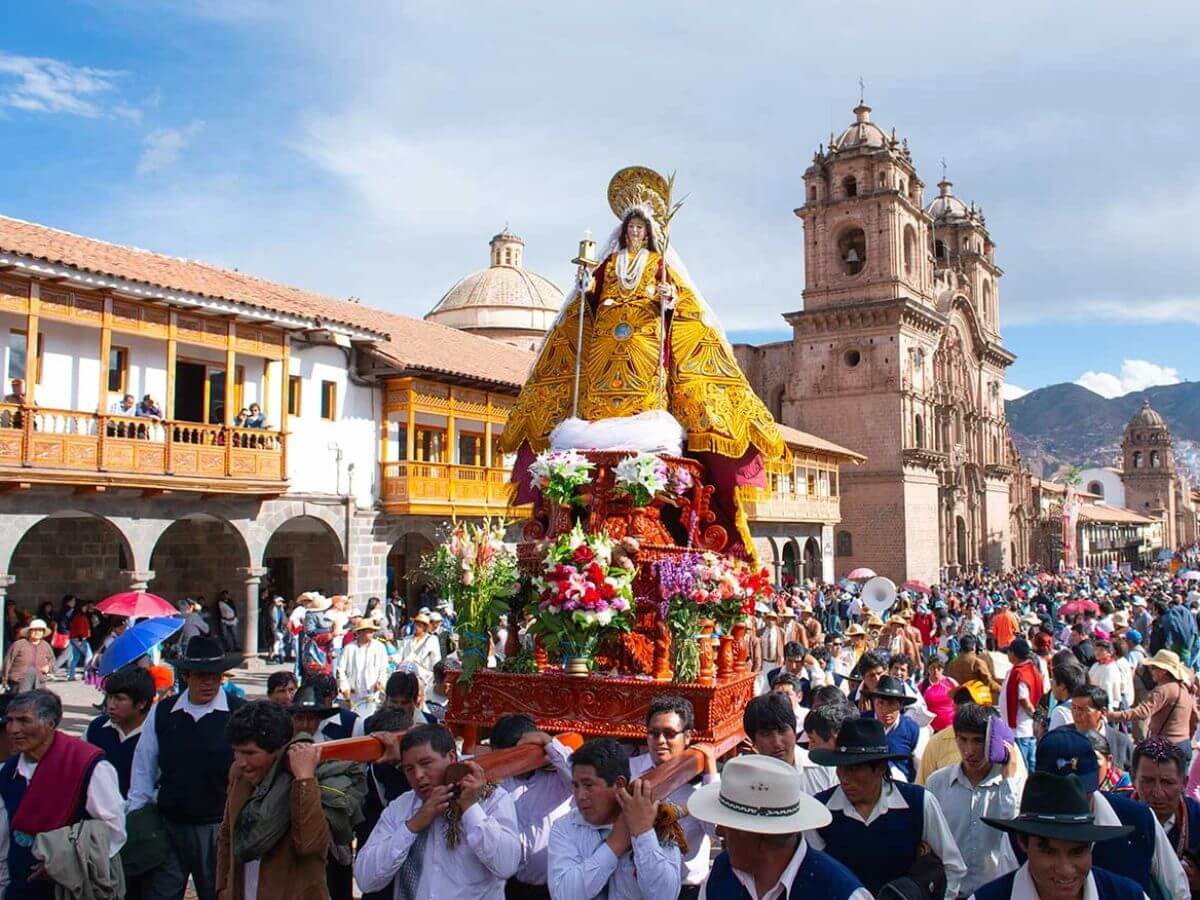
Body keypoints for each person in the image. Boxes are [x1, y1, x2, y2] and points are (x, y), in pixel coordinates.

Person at [129, 635, 245, 900]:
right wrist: (139, 818)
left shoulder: (238, 713)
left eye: (215, 676)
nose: (208, 682)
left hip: (219, 828)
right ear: (187, 675)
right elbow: (143, 768)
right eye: (201, 675)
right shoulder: (163, 713)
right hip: (170, 825)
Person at [807, 717, 967, 899]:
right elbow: (813, 872)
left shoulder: (919, 803)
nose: (844, 777)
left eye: (854, 768)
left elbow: (952, 866)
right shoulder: (820, 812)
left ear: (880, 768)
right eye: (840, 767)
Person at [355, 723, 521, 899]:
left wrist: (471, 809)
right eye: (409, 769)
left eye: (425, 763)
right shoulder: (401, 808)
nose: (418, 775)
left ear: (451, 757)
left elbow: (506, 865)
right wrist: (412, 826)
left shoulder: (491, 799)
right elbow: (366, 880)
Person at [1035, 727, 1189, 900]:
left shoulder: (1139, 820)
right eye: (1059, 794)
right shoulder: (1019, 836)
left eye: (1080, 792)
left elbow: (1179, 892)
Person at [0, 690, 126, 900]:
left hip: (71, 886)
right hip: (20, 885)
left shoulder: (89, 766)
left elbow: (113, 832)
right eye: (10, 721)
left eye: (24, 721)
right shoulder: (9, 772)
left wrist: (64, 864)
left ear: (50, 724)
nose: (13, 729)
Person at [691, 754, 869, 900]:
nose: (719, 831)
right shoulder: (721, 875)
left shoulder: (840, 893)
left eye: (729, 824)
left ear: (756, 835)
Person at [215, 701, 330, 900]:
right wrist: (223, 888)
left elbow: (310, 844)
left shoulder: (306, 778)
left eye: (250, 753)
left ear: (276, 750)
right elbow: (227, 834)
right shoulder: (239, 775)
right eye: (237, 751)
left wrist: (304, 780)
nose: (242, 763)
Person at [969, 772, 1144, 900]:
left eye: (1077, 852)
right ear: (1023, 842)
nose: (1065, 869)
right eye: (1049, 852)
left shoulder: (1128, 896)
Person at [547, 736, 682, 900]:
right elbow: (563, 895)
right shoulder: (565, 827)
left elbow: (665, 895)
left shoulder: (657, 819)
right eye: (576, 786)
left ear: (619, 784)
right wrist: (614, 845)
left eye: (588, 785)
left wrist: (643, 833)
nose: (580, 796)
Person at [925, 703, 1024, 896]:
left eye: (978, 741)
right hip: (950, 892)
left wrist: (1009, 781)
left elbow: (1014, 836)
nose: (969, 750)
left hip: (994, 892)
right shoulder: (937, 783)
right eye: (963, 740)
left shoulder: (1012, 786)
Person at [629, 695, 719, 898]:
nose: (660, 741)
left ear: (688, 736)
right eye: (653, 733)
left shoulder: (703, 783)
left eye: (669, 734)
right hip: (635, 889)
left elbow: (717, 829)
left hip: (685, 889)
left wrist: (710, 770)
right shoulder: (630, 771)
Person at [486, 715, 574, 900]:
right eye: (500, 757)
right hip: (507, 886)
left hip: (553, 887)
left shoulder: (558, 777)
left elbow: (579, 780)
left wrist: (549, 743)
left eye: (513, 757)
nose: (507, 764)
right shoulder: (495, 782)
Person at [1129, 737, 1200, 892]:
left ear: (1184, 783)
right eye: (1148, 781)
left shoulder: (1196, 819)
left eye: (1167, 782)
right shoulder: (1113, 815)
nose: (1157, 793)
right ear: (1133, 778)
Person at [1107, 650, 1197, 764]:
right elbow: (1195, 718)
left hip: (1166, 748)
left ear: (1163, 671)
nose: (1150, 671)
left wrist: (1113, 715)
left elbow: (1142, 712)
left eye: (1153, 667)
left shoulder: (1163, 690)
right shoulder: (1184, 689)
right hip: (1184, 745)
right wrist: (1187, 737)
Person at [84, 665, 155, 798]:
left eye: (119, 699)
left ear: (142, 703)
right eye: (109, 697)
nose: (111, 705)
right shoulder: (96, 729)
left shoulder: (158, 734)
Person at [866, 674, 921, 782]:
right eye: (881, 703)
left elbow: (919, 767)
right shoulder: (861, 725)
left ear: (900, 705)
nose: (885, 710)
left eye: (891, 704)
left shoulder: (912, 729)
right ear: (874, 701)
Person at [1000, 638, 1042, 770]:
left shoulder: (1020, 673)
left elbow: (1023, 699)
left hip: (1019, 729)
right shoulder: (1027, 669)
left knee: (1022, 766)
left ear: (1013, 654)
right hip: (1024, 728)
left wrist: (1034, 715)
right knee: (1030, 763)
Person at [1072, 685, 1134, 773]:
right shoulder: (1063, 738)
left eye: (1082, 710)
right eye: (1074, 708)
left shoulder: (1121, 742)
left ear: (1103, 712)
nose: (1076, 714)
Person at [337, 618, 390, 717]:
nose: (371, 633)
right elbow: (340, 670)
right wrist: (345, 688)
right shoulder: (349, 648)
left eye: (372, 631)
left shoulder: (379, 647)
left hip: (373, 694)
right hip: (354, 694)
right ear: (360, 632)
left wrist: (380, 682)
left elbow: (383, 668)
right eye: (368, 631)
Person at [2, 620, 55, 691]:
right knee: (21, 701)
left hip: (39, 682)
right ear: (29, 632)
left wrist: (48, 667)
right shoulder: (19, 644)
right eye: (34, 630)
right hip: (19, 682)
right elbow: (8, 662)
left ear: (43, 633)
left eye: (40, 630)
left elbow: (52, 660)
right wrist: (4, 679)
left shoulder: (45, 645)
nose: (37, 632)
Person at [398, 613, 442, 693]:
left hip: (424, 675)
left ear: (425, 626)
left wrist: (436, 677)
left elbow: (436, 660)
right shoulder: (407, 639)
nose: (417, 627)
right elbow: (399, 655)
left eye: (420, 625)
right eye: (416, 624)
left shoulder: (432, 639)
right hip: (406, 673)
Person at [920, 654, 959, 732]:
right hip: (931, 730)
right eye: (933, 667)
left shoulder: (951, 682)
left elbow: (959, 702)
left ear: (943, 669)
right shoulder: (922, 686)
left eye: (939, 668)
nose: (936, 671)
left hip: (950, 728)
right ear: (928, 669)